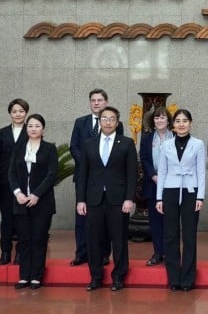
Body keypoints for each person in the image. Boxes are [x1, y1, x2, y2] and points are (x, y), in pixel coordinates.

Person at [75, 105, 137, 292]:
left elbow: (132, 174)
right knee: (94, 240)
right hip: (93, 199)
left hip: (118, 200)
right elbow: (82, 174)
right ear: (99, 121)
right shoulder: (89, 144)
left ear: (117, 122)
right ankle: (95, 277)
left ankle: (118, 277)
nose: (108, 122)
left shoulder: (126, 143)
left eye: (111, 119)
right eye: (104, 118)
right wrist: (80, 200)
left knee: (118, 239)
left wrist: (129, 198)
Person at [68, 88, 122, 267]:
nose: (96, 103)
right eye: (93, 100)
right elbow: (73, 146)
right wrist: (85, 163)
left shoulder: (115, 124)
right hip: (84, 178)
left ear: (106, 102)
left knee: (105, 219)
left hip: (106, 181)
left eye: (100, 100)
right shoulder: (80, 122)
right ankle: (81, 252)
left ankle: (104, 254)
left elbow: (117, 151)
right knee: (82, 217)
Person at [155, 108, 206, 291]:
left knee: (189, 235)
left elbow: (201, 171)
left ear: (190, 123)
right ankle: (174, 278)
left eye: (185, 120)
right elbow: (162, 171)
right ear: (172, 125)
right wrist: (159, 197)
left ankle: (188, 279)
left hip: (191, 191)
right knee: (170, 234)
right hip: (170, 189)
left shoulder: (198, 144)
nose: (181, 124)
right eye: (178, 121)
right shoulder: (166, 145)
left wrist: (200, 195)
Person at [8, 113, 57, 290]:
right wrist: (17, 193)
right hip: (20, 201)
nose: (33, 129)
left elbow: (52, 174)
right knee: (24, 240)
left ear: (43, 129)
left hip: (42, 203)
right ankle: (23, 276)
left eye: (37, 126)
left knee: (39, 239)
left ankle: (36, 276)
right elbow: (11, 172)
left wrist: (36, 194)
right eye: (30, 126)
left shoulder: (50, 148)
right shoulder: (19, 148)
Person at [0, 98, 28, 265]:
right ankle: (5, 252)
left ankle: (21, 252)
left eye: (21, 111)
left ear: (26, 112)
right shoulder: (2, 132)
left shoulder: (32, 130)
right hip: (5, 184)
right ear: (10, 113)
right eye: (14, 111)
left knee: (22, 219)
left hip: (24, 184)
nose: (18, 114)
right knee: (6, 218)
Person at [140, 107, 172, 266]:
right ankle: (158, 252)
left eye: (163, 117)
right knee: (155, 221)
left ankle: (170, 253)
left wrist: (168, 178)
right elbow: (144, 159)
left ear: (168, 120)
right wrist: (153, 176)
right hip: (153, 184)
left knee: (170, 220)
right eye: (156, 117)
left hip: (173, 184)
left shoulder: (175, 137)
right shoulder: (146, 138)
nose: (159, 120)